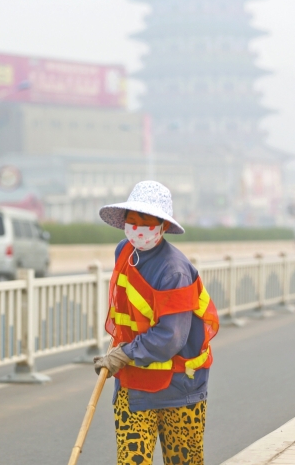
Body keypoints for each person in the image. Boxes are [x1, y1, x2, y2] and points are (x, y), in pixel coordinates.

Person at [94, 180, 219, 465]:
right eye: (132, 220)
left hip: (179, 388)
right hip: (134, 385)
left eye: (146, 221)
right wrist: (121, 353)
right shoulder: (124, 252)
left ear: (162, 226)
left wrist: (124, 353)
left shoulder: (174, 270)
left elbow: (171, 337)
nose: (137, 228)